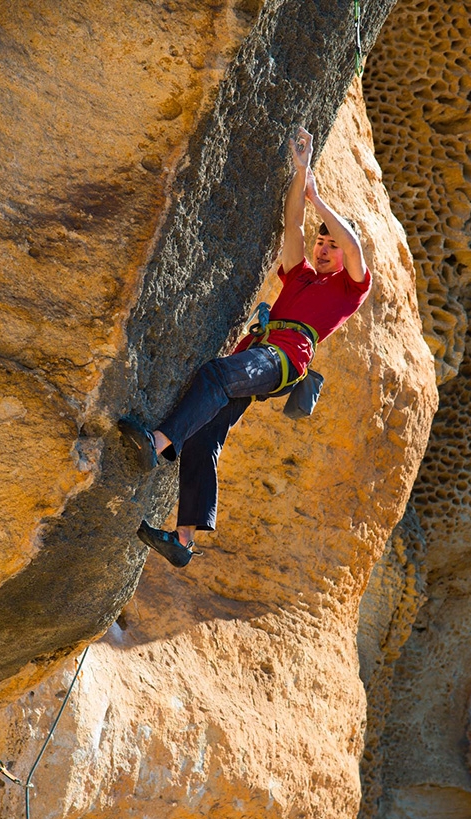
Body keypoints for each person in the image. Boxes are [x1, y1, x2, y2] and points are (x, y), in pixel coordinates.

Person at [118, 127, 372, 567]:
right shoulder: (301, 275)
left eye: (332, 245)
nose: (327, 248)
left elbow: (352, 245)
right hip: (258, 351)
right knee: (204, 436)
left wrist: (318, 201)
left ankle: (155, 444)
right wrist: (301, 172)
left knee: (215, 375)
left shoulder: (351, 288)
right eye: (322, 242)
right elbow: (292, 223)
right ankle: (183, 541)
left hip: (283, 357)